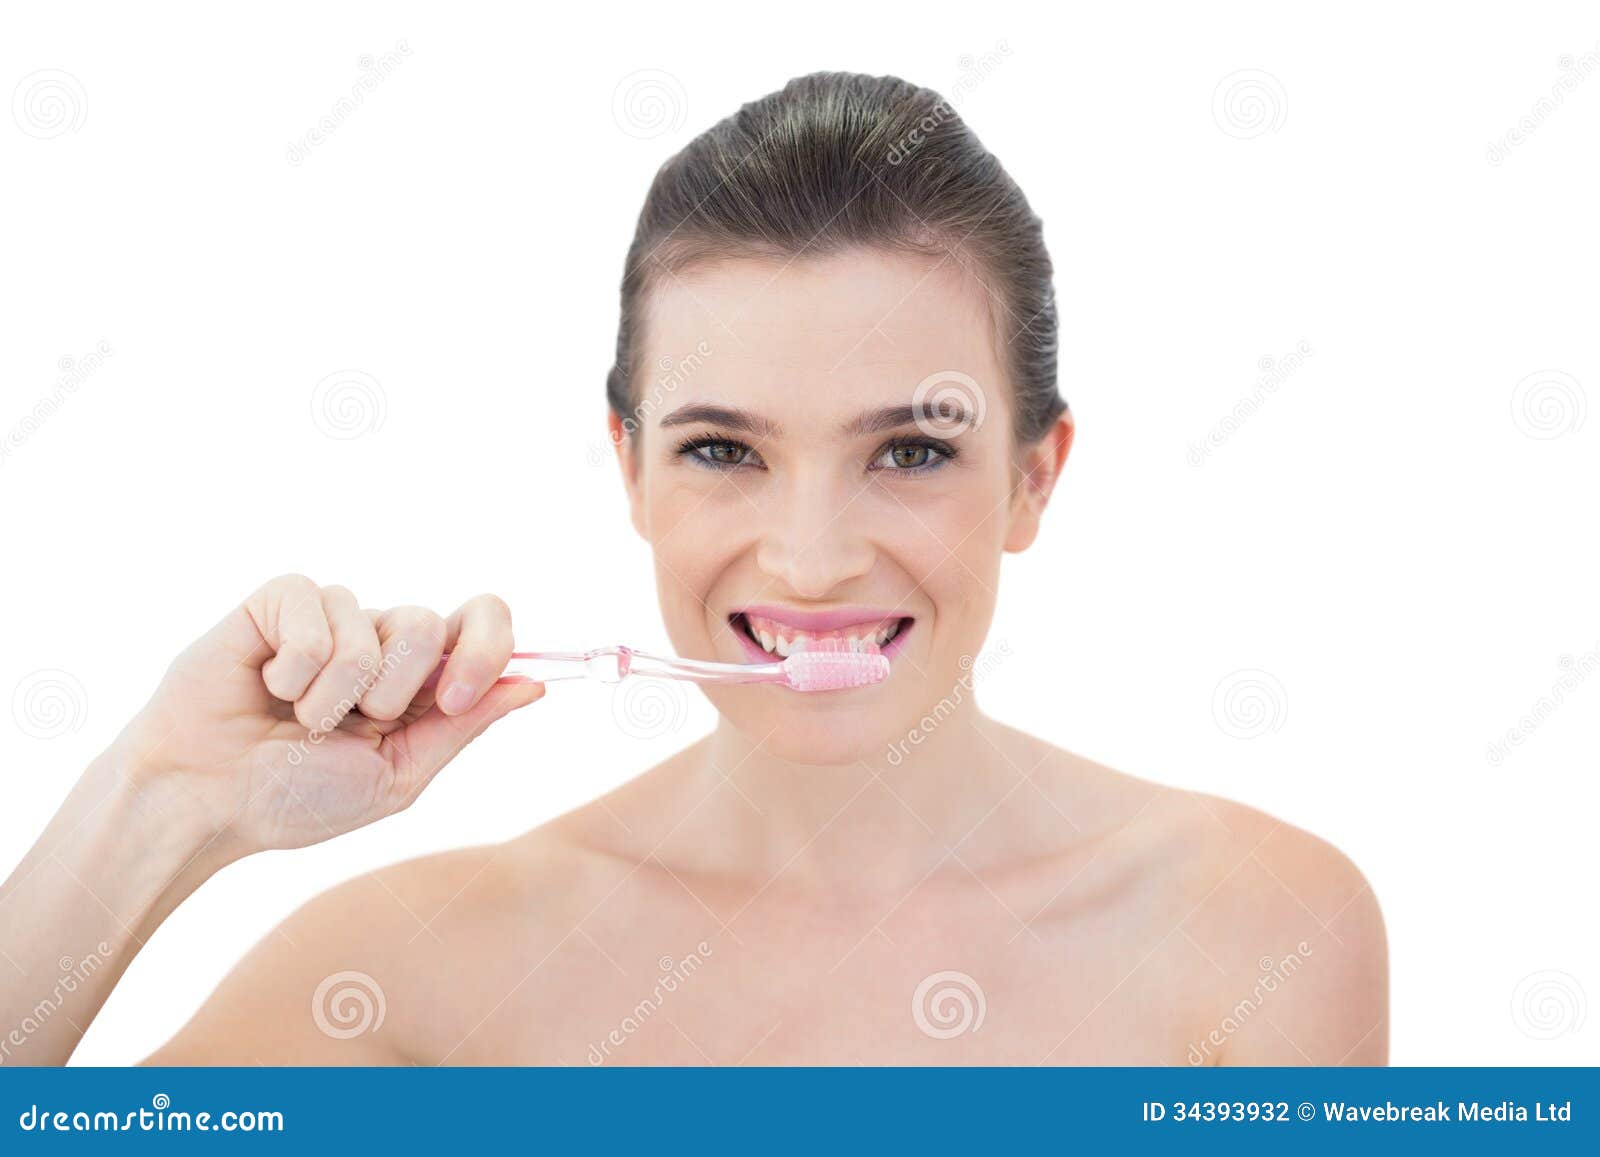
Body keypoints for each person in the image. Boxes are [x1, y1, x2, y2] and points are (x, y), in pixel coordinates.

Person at [0, 72, 1386, 1066]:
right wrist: (161, 807)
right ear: (630, 468)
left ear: (1034, 477)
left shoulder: (1258, 929)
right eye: (725, 449)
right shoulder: (407, 973)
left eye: (909, 450)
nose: (813, 555)